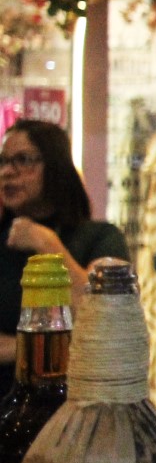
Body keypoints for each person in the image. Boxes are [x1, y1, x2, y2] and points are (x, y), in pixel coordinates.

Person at [0, 119, 128, 394]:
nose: (8, 172)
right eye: (4, 162)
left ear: (55, 166)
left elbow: (103, 322)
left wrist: (45, 242)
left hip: (76, 403)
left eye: (23, 160)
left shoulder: (100, 238)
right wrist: (50, 345)